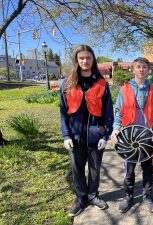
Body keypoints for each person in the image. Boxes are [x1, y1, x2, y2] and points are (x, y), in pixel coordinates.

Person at [60, 45, 114, 217]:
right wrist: (66, 135)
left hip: (95, 135)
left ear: (93, 59)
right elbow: (62, 113)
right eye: (81, 58)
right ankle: (81, 198)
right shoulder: (67, 84)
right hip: (74, 136)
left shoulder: (102, 84)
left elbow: (108, 113)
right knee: (77, 169)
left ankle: (93, 195)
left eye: (88, 57)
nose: (85, 61)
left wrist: (105, 135)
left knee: (95, 169)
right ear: (76, 60)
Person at [111, 57, 153, 214]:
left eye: (144, 67)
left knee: (148, 169)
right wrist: (115, 128)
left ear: (148, 70)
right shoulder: (124, 89)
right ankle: (128, 196)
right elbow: (118, 112)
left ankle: (147, 196)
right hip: (129, 138)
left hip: (148, 137)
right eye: (138, 67)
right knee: (129, 169)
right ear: (133, 69)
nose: (141, 69)